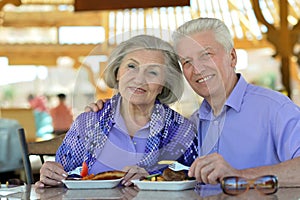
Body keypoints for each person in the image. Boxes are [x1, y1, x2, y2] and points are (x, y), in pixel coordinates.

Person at [87, 18, 300, 187]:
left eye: (206, 55)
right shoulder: (193, 123)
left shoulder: (274, 109)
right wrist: (111, 108)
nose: (196, 69)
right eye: (186, 62)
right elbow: (177, 172)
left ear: (232, 58)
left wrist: (239, 175)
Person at [35, 35, 198, 188]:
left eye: (153, 72)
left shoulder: (181, 129)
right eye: (132, 66)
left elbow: (195, 181)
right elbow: (62, 179)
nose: (139, 79)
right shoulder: (89, 121)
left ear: (165, 83)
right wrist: (50, 175)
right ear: (117, 72)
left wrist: (153, 177)